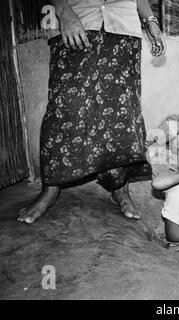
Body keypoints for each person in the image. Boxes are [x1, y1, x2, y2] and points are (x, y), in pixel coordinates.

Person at [18, 0, 166, 224]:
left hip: (124, 26)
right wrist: (64, 11)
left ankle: (120, 189)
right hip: (76, 19)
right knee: (64, 109)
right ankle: (50, 190)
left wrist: (150, 21)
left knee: (121, 112)